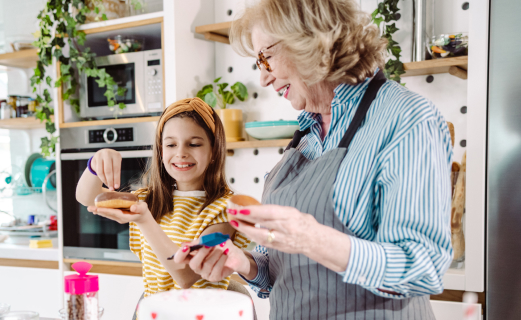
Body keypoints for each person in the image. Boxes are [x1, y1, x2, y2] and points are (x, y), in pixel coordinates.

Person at [173, 0, 453, 318]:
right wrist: (242, 262)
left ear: (310, 39)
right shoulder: (306, 135)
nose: (263, 78)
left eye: (266, 57)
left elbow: (422, 268)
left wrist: (312, 237)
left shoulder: (406, 118)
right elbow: (283, 272)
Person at [75, 98, 251, 298]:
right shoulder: (148, 200)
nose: (181, 153)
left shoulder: (224, 209)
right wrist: (95, 163)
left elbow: (185, 275)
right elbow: (87, 198)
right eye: (171, 145)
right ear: (161, 151)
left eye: (193, 144)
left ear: (213, 151)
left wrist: (144, 219)